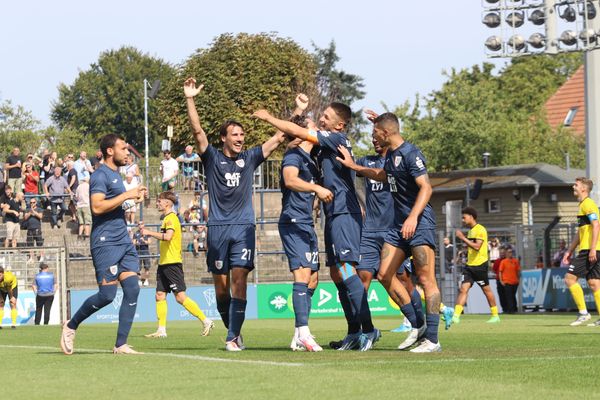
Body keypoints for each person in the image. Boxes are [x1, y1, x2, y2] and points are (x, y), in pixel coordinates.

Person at [254, 104, 379, 352]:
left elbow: (295, 131)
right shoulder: (315, 153)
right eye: (320, 117)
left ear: (339, 125)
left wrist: (269, 117)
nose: (321, 119)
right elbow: (293, 137)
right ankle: (354, 331)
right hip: (331, 215)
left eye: (326, 117)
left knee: (345, 269)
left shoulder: (336, 139)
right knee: (336, 274)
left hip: (343, 212)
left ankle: (369, 329)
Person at [185, 77, 286, 351]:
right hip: (217, 229)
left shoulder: (250, 158)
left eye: (242, 135)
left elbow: (277, 139)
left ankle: (232, 336)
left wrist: (297, 113)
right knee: (221, 290)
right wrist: (190, 98)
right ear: (223, 138)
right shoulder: (212, 157)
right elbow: (197, 132)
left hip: (243, 227)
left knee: (239, 281)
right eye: (235, 134)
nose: (240, 138)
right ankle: (233, 328)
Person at [334, 111, 442, 353]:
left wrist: (413, 217)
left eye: (375, 133)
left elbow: (426, 187)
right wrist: (355, 167)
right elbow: (383, 175)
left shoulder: (411, 153)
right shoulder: (392, 154)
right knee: (384, 274)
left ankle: (432, 339)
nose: (373, 137)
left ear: (386, 133)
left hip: (419, 223)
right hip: (398, 226)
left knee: (426, 280)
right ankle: (418, 325)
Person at [60, 133, 147, 355]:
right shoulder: (100, 176)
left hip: (123, 240)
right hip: (105, 242)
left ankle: (120, 344)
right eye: (123, 148)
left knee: (132, 288)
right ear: (110, 151)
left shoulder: (117, 176)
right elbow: (97, 208)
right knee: (107, 296)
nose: (127, 152)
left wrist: (132, 200)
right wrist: (127, 194)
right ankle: (71, 326)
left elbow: (113, 206)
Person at [277, 96, 330, 352]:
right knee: (302, 276)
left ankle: (298, 333)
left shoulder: (311, 158)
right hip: (293, 221)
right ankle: (305, 334)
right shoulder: (293, 157)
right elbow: (290, 180)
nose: (314, 130)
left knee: (313, 280)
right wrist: (315, 188)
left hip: (307, 223)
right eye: (310, 127)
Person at [142, 191, 214, 338]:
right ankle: (161, 330)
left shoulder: (171, 218)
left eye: (159, 201)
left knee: (180, 297)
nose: (157, 203)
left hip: (172, 263)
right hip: (164, 263)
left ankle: (206, 320)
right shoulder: (166, 218)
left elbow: (168, 237)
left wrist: (149, 233)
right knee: (160, 295)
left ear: (167, 203)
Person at [452, 207, 501, 324]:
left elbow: (477, 246)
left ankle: (495, 315)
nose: (463, 220)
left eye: (464, 217)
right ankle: (456, 316)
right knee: (463, 289)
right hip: (470, 265)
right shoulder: (470, 231)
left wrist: (462, 238)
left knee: (486, 290)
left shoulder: (480, 229)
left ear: (471, 217)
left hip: (479, 265)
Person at [562, 177, 600, 326]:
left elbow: (596, 225)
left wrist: (592, 249)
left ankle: (583, 313)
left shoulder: (588, 204)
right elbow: (580, 233)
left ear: (584, 188)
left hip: (589, 250)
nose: (573, 187)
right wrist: (569, 251)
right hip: (592, 249)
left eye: (576, 185)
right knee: (594, 283)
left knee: (569, 278)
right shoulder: (582, 205)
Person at [498, 248, 521, 313]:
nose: (510, 253)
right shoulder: (503, 262)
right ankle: (511, 309)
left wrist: (518, 279)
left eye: (511, 252)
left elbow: (518, 271)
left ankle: (514, 308)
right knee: (509, 296)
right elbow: (500, 272)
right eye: (509, 252)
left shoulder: (515, 261)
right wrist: (501, 281)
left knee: (513, 295)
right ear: (507, 253)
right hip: (507, 281)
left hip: (515, 281)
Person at [492, 246, 507, 311]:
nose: (502, 254)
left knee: (508, 295)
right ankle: (504, 308)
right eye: (501, 253)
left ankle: (510, 308)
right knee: (501, 295)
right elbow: (494, 270)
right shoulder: (497, 261)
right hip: (499, 280)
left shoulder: (508, 260)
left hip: (507, 280)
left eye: (503, 253)